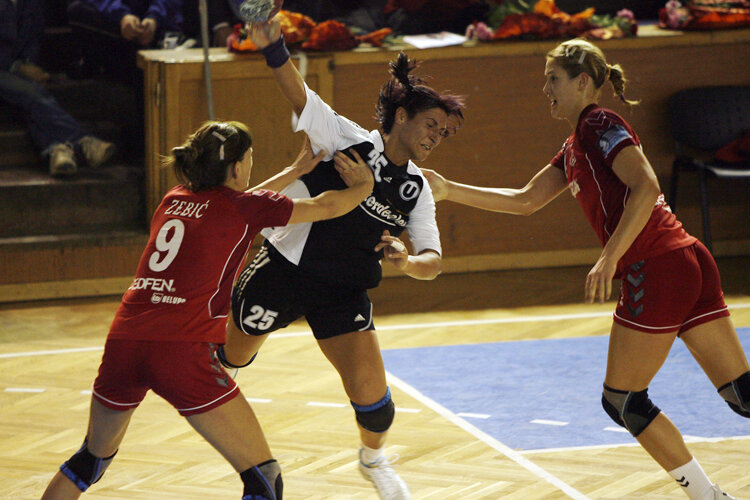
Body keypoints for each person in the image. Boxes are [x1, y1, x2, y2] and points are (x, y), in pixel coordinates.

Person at [421, 39, 750, 500]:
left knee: (624, 400)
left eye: (552, 79)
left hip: (657, 266)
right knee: (742, 395)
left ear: (581, 82)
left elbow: (646, 185)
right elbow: (526, 200)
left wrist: (610, 257)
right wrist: (448, 189)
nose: (545, 89)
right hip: (686, 260)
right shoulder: (575, 144)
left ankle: (708, 498)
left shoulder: (599, 123)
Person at [40, 120, 374, 500]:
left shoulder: (173, 199)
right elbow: (325, 206)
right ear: (237, 167)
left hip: (124, 341)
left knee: (90, 461)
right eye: (249, 158)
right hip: (181, 352)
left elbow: (235, 205)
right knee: (263, 477)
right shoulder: (245, 208)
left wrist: (295, 171)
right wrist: (365, 186)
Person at [217, 16, 465, 500]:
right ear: (401, 116)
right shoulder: (347, 139)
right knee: (231, 358)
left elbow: (432, 261)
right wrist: (272, 46)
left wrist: (406, 262)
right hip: (282, 270)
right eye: (431, 125)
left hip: (342, 290)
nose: (436, 137)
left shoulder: (417, 189)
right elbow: (299, 95)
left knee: (376, 405)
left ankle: (373, 460)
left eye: (443, 133)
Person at [0, 0, 116, 176]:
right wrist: (18, 67)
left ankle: (58, 150)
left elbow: (33, 39)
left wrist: (29, 66)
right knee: (32, 93)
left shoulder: (32, 4)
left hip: (15, 71)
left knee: (32, 95)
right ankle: (83, 141)